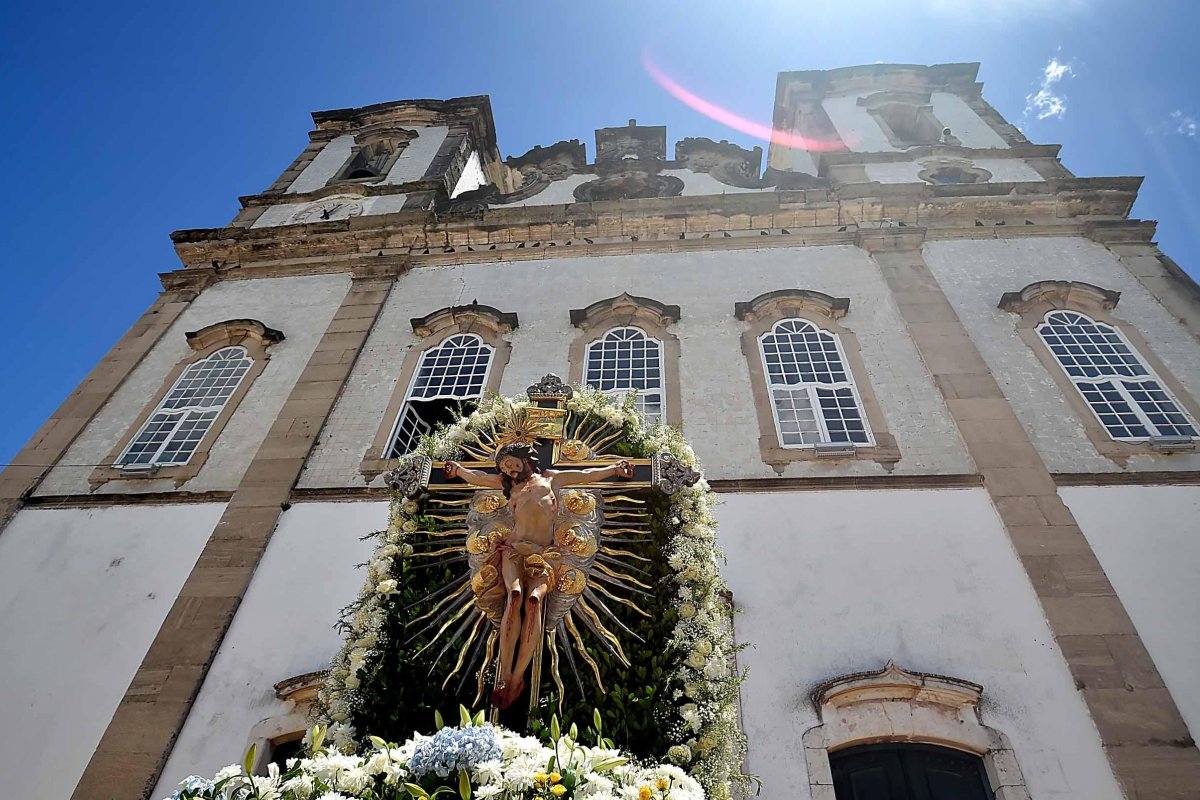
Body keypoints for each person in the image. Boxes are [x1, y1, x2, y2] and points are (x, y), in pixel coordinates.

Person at [444, 444, 633, 708]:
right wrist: (459, 469)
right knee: (516, 594)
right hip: (512, 551)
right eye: (504, 466)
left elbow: (587, 474)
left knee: (534, 601)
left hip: (545, 555)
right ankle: (504, 672)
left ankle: (518, 676)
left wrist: (615, 468)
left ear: (525, 459)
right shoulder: (507, 484)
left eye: (511, 462)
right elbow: (477, 478)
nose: (508, 469)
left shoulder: (551, 478)